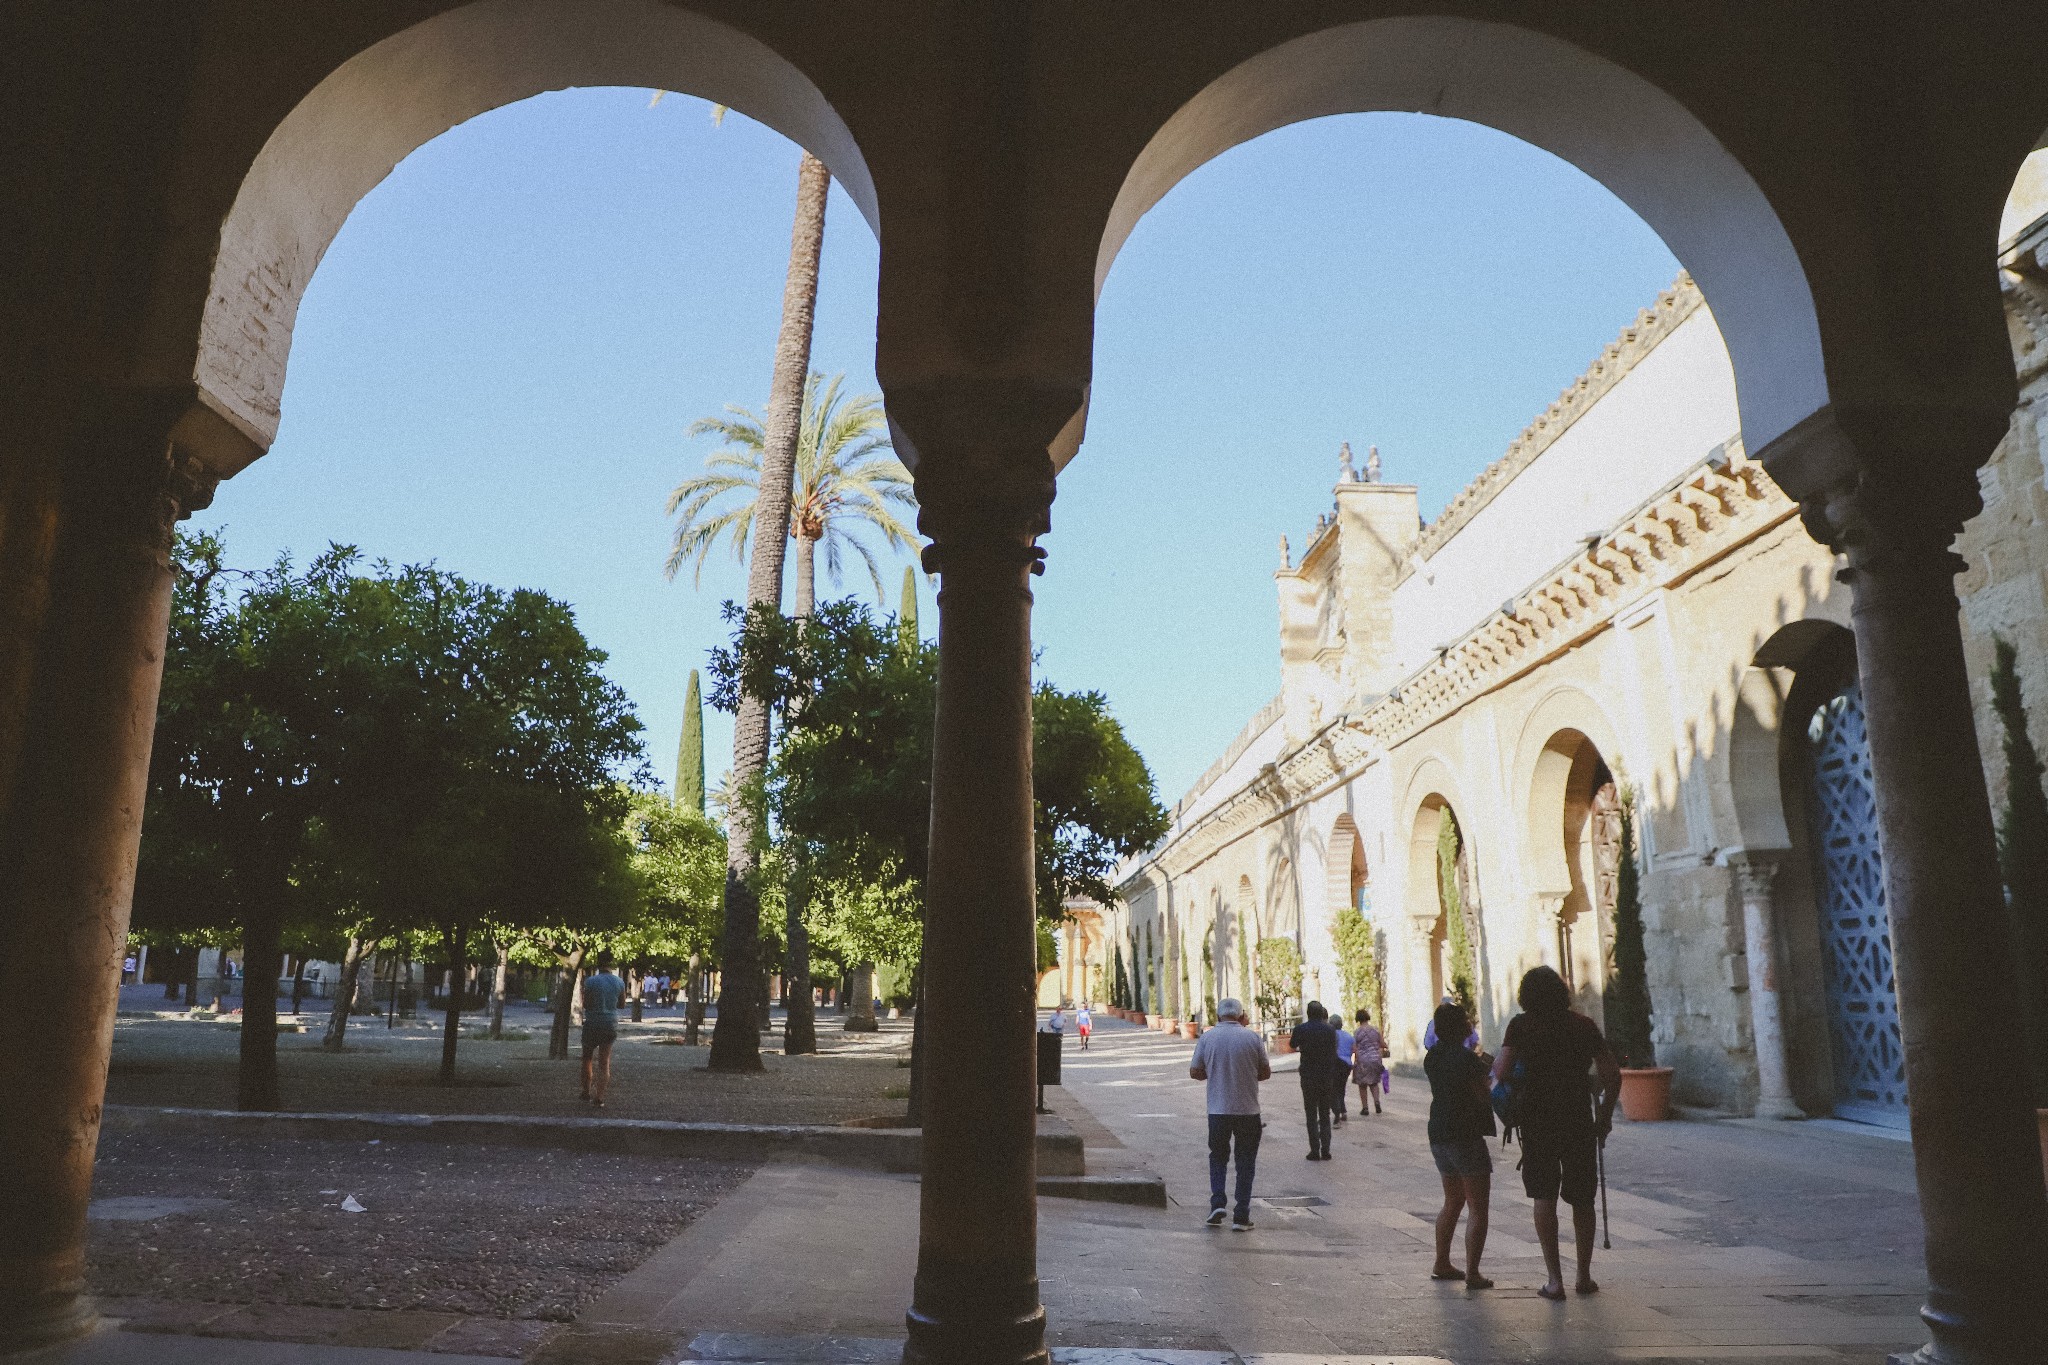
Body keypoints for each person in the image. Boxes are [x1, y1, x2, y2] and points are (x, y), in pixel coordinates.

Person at [1492, 964, 1622, 1301]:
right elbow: (1612, 1074)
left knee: (1543, 1197)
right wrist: (1605, 1118)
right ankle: (1584, 1275)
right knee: (1583, 1199)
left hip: (1538, 1121)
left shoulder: (1521, 1026)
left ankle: (1554, 1280)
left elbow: (1501, 1070)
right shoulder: (1583, 1025)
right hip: (1577, 1119)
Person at [1425, 1000, 1495, 1290]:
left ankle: (1442, 1261)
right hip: (1465, 1133)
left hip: (1439, 1131)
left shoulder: (1432, 1057)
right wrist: (1487, 1071)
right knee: (1478, 1206)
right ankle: (1473, 1272)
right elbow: (1482, 1095)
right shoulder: (1466, 1059)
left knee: (1452, 1200)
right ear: (1460, 1027)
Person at [1189, 996, 1270, 1230]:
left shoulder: (1208, 1037)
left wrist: (1213, 1073)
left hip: (1218, 1109)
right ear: (1241, 1015)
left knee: (1218, 1156)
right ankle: (1241, 1215)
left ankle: (1217, 1202)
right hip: (1248, 1110)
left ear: (1218, 1016)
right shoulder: (1252, 1037)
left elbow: (1195, 1071)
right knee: (1245, 1161)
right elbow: (1265, 1072)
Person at [1288, 1000, 1339, 1160]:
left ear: (1308, 1013)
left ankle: (1314, 1150)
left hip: (1309, 1075)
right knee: (1324, 1112)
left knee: (1311, 1113)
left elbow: (1292, 1044)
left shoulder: (1301, 1029)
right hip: (1326, 1075)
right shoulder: (1330, 1030)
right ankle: (1326, 1149)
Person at [580, 950, 626, 1108]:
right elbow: (622, 1004)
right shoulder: (619, 982)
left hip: (593, 1022)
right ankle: (599, 1097)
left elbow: (586, 1004)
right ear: (611, 963)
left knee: (587, 1058)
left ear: (597, 963)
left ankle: (586, 1091)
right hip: (610, 1023)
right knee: (604, 1062)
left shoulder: (590, 981)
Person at [1352, 1008, 1386, 1115]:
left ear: (1358, 1019)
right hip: (1375, 1059)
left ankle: (1365, 1108)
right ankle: (1376, 1102)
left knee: (1362, 1085)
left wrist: (1356, 1061)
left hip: (1363, 1060)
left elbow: (1355, 1048)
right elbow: (1383, 1044)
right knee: (1374, 1083)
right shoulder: (1375, 1030)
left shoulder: (1357, 1032)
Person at [1332, 1015, 1355, 1122]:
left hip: (1335, 1064)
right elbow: (1354, 1050)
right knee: (1342, 1088)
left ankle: (1339, 1111)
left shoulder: (1331, 1035)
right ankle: (1343, 1111)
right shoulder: (1349, 1036)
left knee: (1334, 1089)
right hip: (1347, 1065)